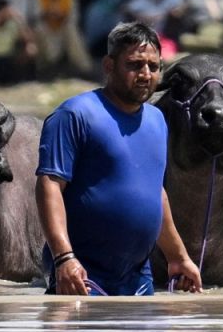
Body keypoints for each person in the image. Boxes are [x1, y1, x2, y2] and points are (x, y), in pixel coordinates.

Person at [35, 22, 203, 296]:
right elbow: (49, 184)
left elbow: (155, 194)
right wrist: (64, 258)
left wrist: (179, 257)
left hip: (138, 279)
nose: (145, 74)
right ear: (109, 65)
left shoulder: (157, 120)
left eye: (154, 66)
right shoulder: (74, 115)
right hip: (82, 275)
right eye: (135, 65)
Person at [31, 0, 92, 78]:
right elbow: (37, 15)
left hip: (63, 28)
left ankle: (85, 69)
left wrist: (61, 17)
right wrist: (49, 15)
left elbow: (73, 17)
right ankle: (42, 69)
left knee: (71, 29)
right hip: (47, 29)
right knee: (38, 28)